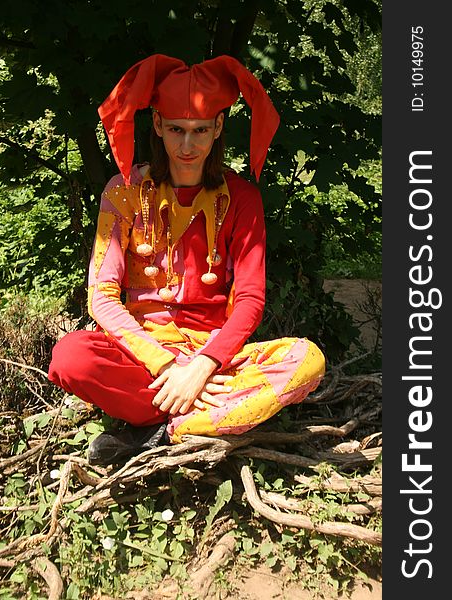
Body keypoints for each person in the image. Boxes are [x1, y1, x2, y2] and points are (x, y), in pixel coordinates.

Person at [48, 54, 326, 466]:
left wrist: (199, 370)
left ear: (217, 128)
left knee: (307, 360)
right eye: (176, 129)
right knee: (71, 357)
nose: (187, 145)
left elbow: (250, 300)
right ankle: (205, 415)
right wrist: (168, 366)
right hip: (144, 359)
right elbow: (102, 298)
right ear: (157, 126)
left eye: (199, 130)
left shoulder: (243, 199)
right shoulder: (122, 193)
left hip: (213, 362)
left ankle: (166, 429)